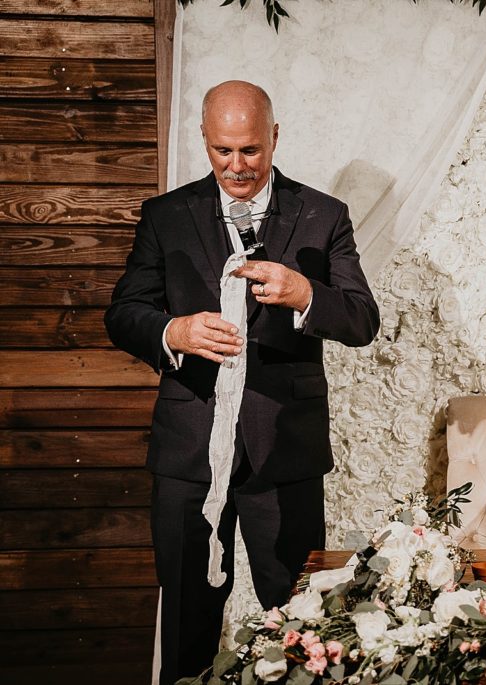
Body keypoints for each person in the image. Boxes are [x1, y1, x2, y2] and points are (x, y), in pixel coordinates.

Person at [105, 80, 380, 684]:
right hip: (188, 453)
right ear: (205, 142)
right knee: (185, 621)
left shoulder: (322, 214)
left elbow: (363, 320)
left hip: (284, 455)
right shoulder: (165, 216)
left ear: (274, 137)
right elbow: (124, 313)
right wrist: (173, 331)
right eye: (222, 151)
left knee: (303, 626)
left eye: (251, 151)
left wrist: (307, 294)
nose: (236, 166)